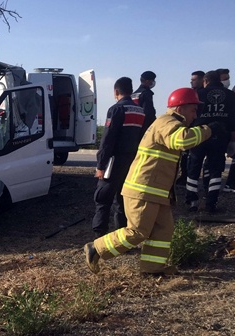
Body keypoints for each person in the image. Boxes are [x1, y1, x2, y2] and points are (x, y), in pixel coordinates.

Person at [84, 88, 219, 276]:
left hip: (157, 192)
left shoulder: (172, 123)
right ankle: (96, 249)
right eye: (193, 110)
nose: (195, 114)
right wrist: (209, 130)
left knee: (163, 232)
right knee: (137, 231)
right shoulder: (167, 122)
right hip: (144, 190)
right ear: (180, 108)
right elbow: (181, 141)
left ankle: (152, 269)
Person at [91, 77, 145, 238]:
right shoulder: (140, 110)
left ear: (116, 91)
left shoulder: (116, 109)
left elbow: (108, 140)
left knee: (103, 197)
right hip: (132, 161)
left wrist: (101, 165)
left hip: (114, 161)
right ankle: (122, 236)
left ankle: (99, 235)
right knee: (123, 200)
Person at [185, 70, 235, 212]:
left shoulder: (198, 94)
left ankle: (192, 201)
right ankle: (211, 204)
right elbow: (233, 120)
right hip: (220, 137)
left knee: (193, 169)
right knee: (215, 171)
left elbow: (191, 115)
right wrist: (232, 141)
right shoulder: (231, 96)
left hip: (198, 134)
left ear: (205, 81)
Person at [177, 70, 206, 186]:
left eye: (194, 80)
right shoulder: (190, 93)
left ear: (202, 80)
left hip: (198, 128)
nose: (191, 82)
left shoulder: (204, 94)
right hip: (188, 127)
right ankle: (184, 176)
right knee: (184, 156)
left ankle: (191, 178)